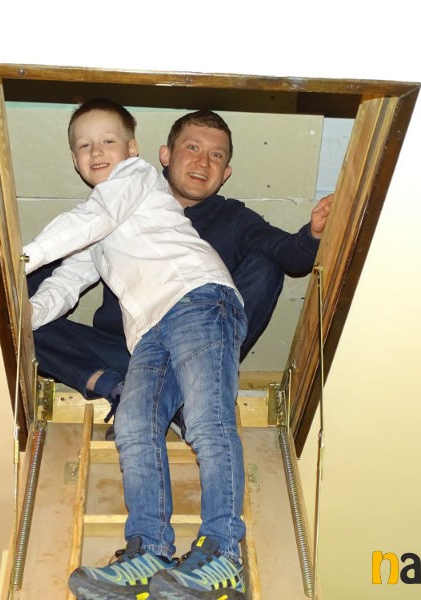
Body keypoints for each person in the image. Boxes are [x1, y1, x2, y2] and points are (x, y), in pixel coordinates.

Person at [23, 99, 250, 599]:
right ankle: (149, 550)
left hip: (198, 299)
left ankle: (224, 554)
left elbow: (91, 217)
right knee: (133, 427)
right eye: (84, 145)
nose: (96, 151)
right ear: (74, 160)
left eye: (107, 140)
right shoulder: (103, 226)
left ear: (132, 150)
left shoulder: (137, 177)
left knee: (208, 421)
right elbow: (65, 284)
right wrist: (18, 316)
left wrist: (16, 260)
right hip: (148, 331)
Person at [28, 110, 333, 431]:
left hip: (200, 350)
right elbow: (70, 267)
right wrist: (23, 271)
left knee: (267, 266)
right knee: (21, 315)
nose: (203, 162)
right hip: (126, 352)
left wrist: (313, 234)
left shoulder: (235, 219)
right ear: (165, 155)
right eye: (193, 148)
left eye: (216, 155)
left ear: (226, 173)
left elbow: (290, 255)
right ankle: (124, 388)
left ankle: (191, 388)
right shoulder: (122, 198)